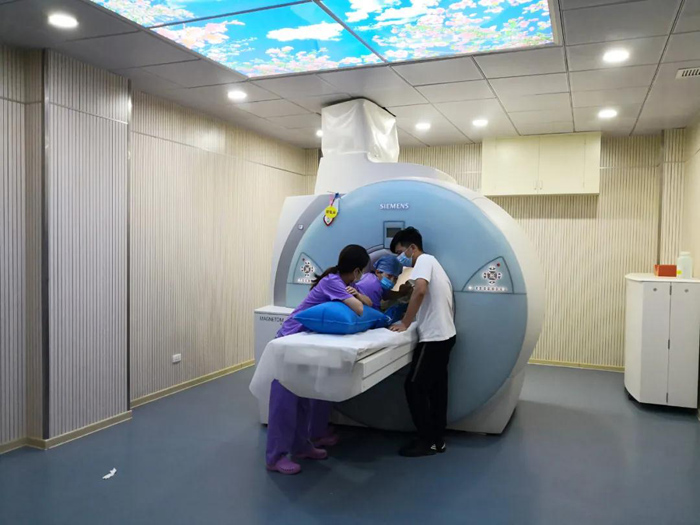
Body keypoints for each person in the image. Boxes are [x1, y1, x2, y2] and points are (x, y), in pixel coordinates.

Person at [266, 244, 369, 475]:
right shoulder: (332, 281)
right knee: (285, 402)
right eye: (362, 270)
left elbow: (368, 304)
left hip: (306, 342)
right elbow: (359, 309)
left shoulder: (345, 284)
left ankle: (301, 446)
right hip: (289, 340)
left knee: (304, 395)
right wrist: (355, 297)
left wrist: (356, 293)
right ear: (356, 270)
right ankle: (275, 457)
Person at [389, 227, 456, 457]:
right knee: (436, 389)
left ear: (412, 248)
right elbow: (413, 291)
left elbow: (420, 291)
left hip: (435, 338)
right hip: (446, 335)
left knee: (414, 387)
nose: (400, 258)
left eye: (400, 252)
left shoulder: (424, 260)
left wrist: (405, 323)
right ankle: (437, 439)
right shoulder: (432, 264)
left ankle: (426, 441)